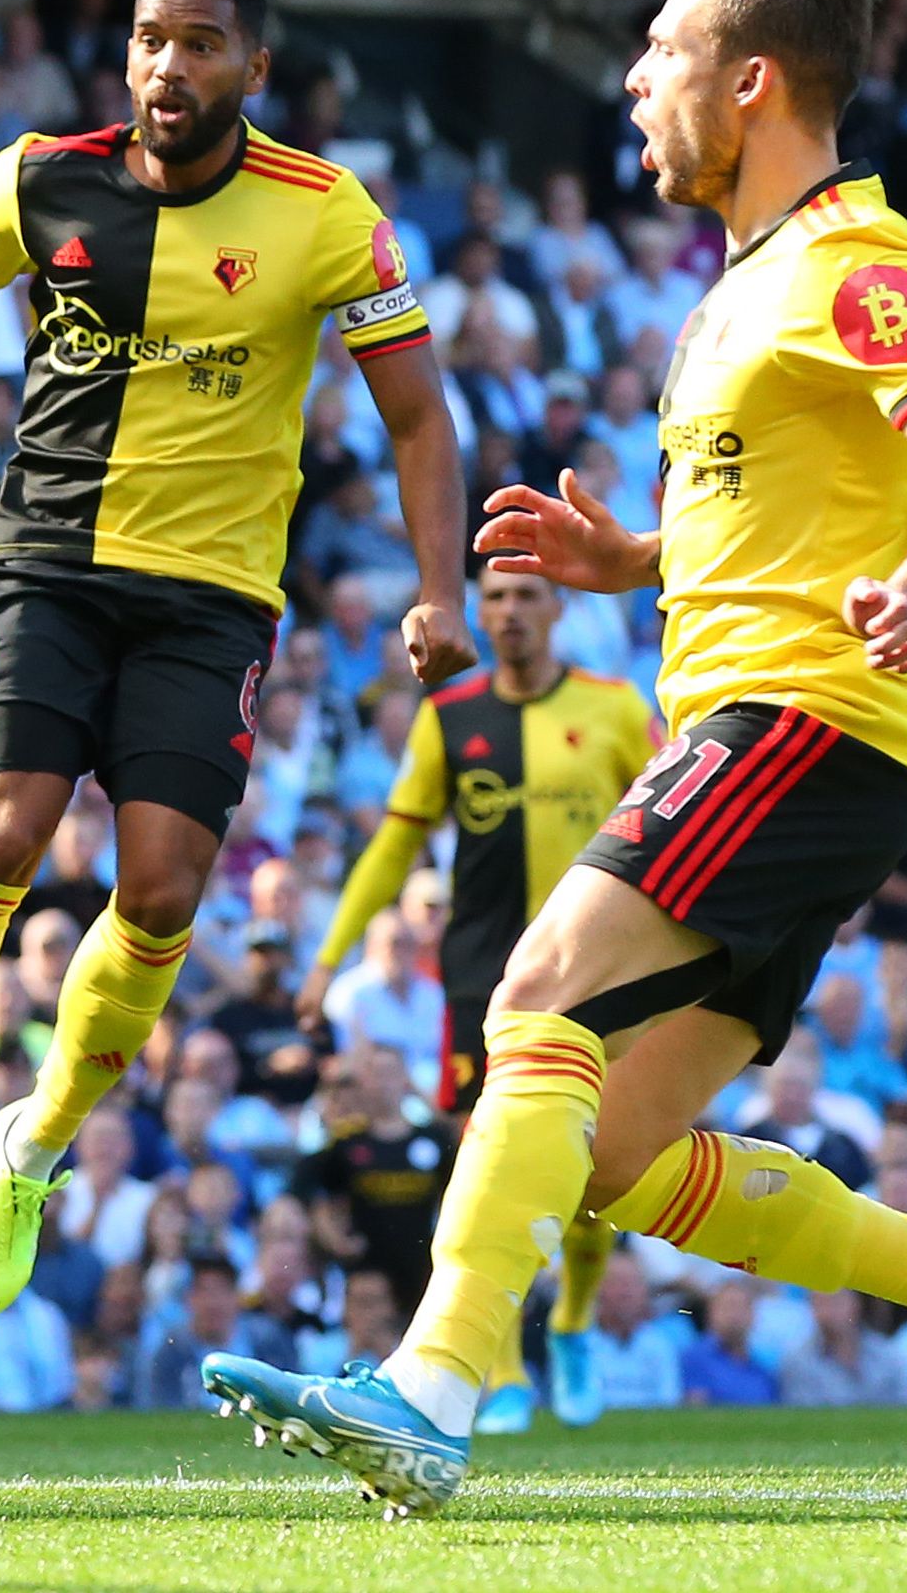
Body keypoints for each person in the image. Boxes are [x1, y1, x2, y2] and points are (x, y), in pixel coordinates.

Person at [203, 0, 907, 1519]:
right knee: (608, 1155)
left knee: (536, 988)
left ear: (749, 83)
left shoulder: (854, 260)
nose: (629, 81)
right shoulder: (735, 289)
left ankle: (430, 1390)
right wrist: (635, 558)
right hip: (781, 737)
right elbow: (797, 502)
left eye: (661, 53)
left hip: (797, 724)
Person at [0, 0, 474, 1325]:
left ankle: (34, 1146)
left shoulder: (326, 212)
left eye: (202, 45)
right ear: (128, 54)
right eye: (152, 40)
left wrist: (437, 589)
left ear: (254, 69)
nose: (172, 67)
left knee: (162, 890)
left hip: (213, 595)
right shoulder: (41, 175)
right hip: (47, 559)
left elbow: (415, 412)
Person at [304, 562, 657, 1432]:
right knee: (484, 1164)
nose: (506, 612)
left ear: (556, 607)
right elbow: (394, 846)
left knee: (593, 1161)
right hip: (483, 979)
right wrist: (326, 961)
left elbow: (676, 819)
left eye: (524, 595)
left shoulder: (612, 706)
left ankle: (570, 1321)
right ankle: (498, 1369)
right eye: (492, 598)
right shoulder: (447, 715)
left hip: (599, 966)